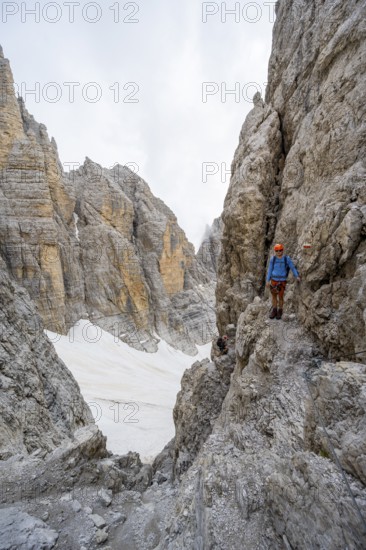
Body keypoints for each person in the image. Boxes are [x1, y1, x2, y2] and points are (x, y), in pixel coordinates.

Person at [266, 244, 300, 319]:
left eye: (280, 250)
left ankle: (280, 310)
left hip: (282, 282)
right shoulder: (273, 259)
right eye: (277, 251)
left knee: (280, 296)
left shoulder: (286, 259)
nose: (278, 252)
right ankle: (274, 310)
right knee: (274, 296)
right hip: (273, 280)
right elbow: (270, 270)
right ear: (275, 251)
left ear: (282, 250)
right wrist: (267, 280)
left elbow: (292, 267)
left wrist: (296, 276)